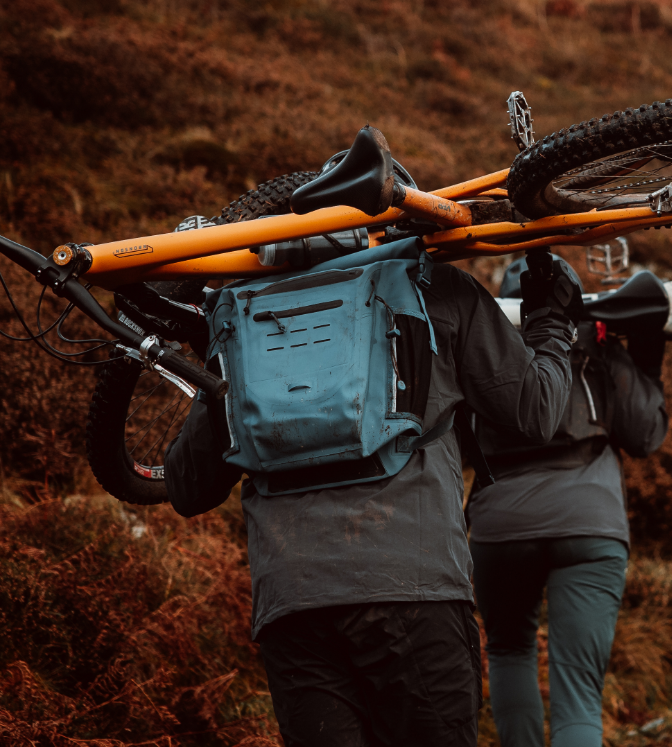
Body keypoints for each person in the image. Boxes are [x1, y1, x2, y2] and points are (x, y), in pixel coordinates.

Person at [164, 238, 580, 746]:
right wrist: (551, 321)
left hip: (294, 602)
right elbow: (535, 412)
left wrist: (215, 354)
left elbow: (187, 487)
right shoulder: (435, 287)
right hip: (413, 584)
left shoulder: (243, 311)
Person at [468, 256, 669, 747]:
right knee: (577, 685)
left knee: (510, 650)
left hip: (500, 525)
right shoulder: (597, 350)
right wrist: (645, 362)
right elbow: (645, 436)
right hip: (589, 522)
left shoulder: (480, 354)